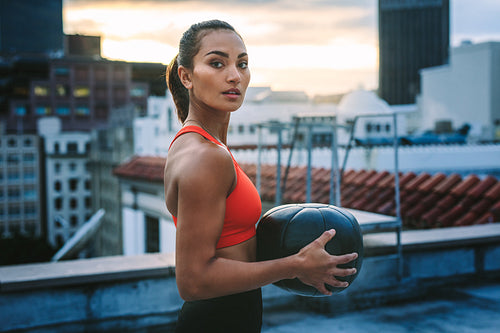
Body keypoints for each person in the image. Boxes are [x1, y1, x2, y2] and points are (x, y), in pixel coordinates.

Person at [163, 19, 358, 333]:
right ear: (186, 76)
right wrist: (295, 266)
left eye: (242, 64)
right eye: (217, 63)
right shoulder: (206, 157)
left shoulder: (197, 144)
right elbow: (193, 282)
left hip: (230, 315)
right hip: (217, 320)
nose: (234, 76)